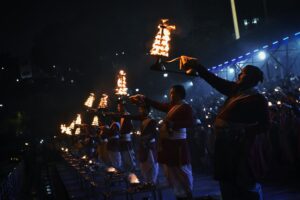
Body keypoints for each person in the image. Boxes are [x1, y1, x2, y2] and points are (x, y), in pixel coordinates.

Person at [181, 56, 270, 200]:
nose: (239, 75)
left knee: (245, 185)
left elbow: (265, 125)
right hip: (226, 147)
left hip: (242, 148)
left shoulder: (257, 99)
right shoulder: (235, 91)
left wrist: (241, 130)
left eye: (243, 73)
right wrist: (198, 67)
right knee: (227, 184)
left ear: (252, 78)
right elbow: (216, 81)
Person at [132, 85, 194, 200]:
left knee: (182, 171)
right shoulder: (172, 107)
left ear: (179, 94)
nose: (170, 95)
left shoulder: (185, 107)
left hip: (178, 145)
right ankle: (180, 195)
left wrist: (174, 125)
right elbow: (158, 105)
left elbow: (190, 123)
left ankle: (188, 194)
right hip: (170, 145)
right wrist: (144, 98)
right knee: (171, 173)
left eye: (172, 93)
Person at [122, 102, 159, 184]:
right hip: (143, 145)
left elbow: (154, 134)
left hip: (149, 146)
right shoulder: (142, 119)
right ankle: (147, 182)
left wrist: (144, 138)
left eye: (141, 109)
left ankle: (152, 182)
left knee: (152, 164)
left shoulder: (151, 121)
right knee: (144, 164)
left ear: (146, 110)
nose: (140, 110)